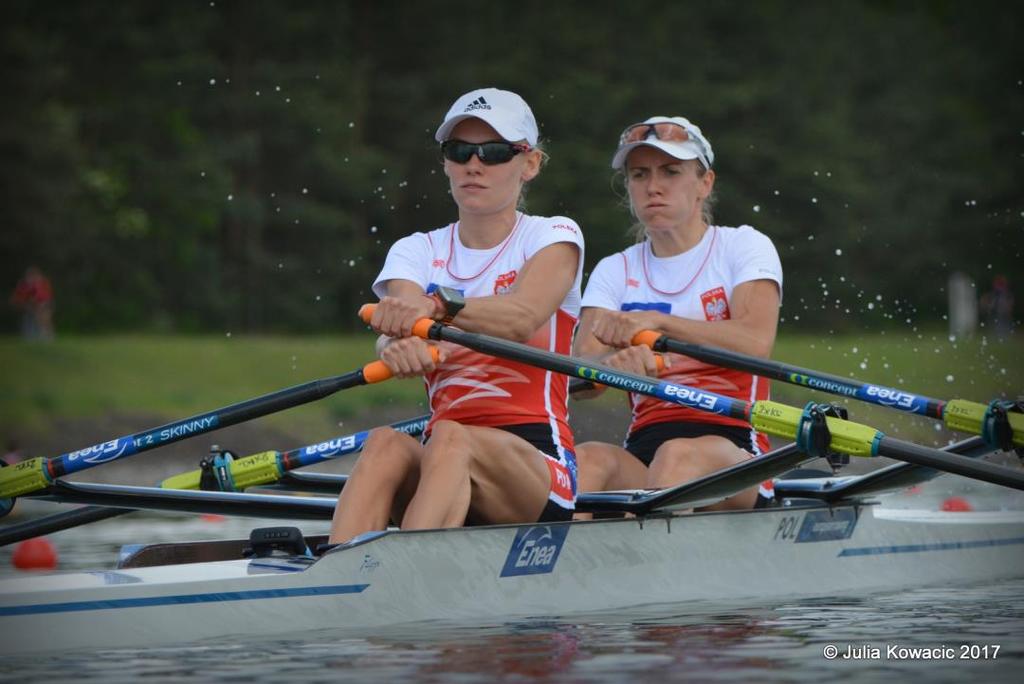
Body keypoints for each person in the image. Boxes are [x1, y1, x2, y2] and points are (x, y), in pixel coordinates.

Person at [329, 88, 584, 543]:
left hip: (537, 466)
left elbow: (522, 317)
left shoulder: (553, 236)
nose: (474, 164)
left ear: (530, 164)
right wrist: (394, 346)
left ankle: (402, 577)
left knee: (451, 435)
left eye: (494, 152)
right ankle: (334, 579)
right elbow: (401, 328)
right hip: (441, 460)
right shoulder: (416, 249)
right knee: (385, 442)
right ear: (445, 162)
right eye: (459, 151)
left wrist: (437, 308)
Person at [573, 116, 782, 511]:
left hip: (736, 454)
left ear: (705, 183)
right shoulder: (614, 269)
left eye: (671, 171)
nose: (653, 186)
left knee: (677, 455)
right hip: (644, 450)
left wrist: (659, 321)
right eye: (639, 175)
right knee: (587, 459)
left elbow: (755, 343)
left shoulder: (743, 247)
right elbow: (583, 378)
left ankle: (642, 564)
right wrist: (613, 364)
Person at [10, 266, 54, 340]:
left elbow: (45, 296)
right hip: (29, 305)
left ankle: (47, 335)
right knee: (36, 316)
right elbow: (17, 298)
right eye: (30, 276)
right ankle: (34, 334)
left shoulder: (42, 283)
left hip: (42, 304)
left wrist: (39, 303)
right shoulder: (23, 285)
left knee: (43, 317)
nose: (32, 278)